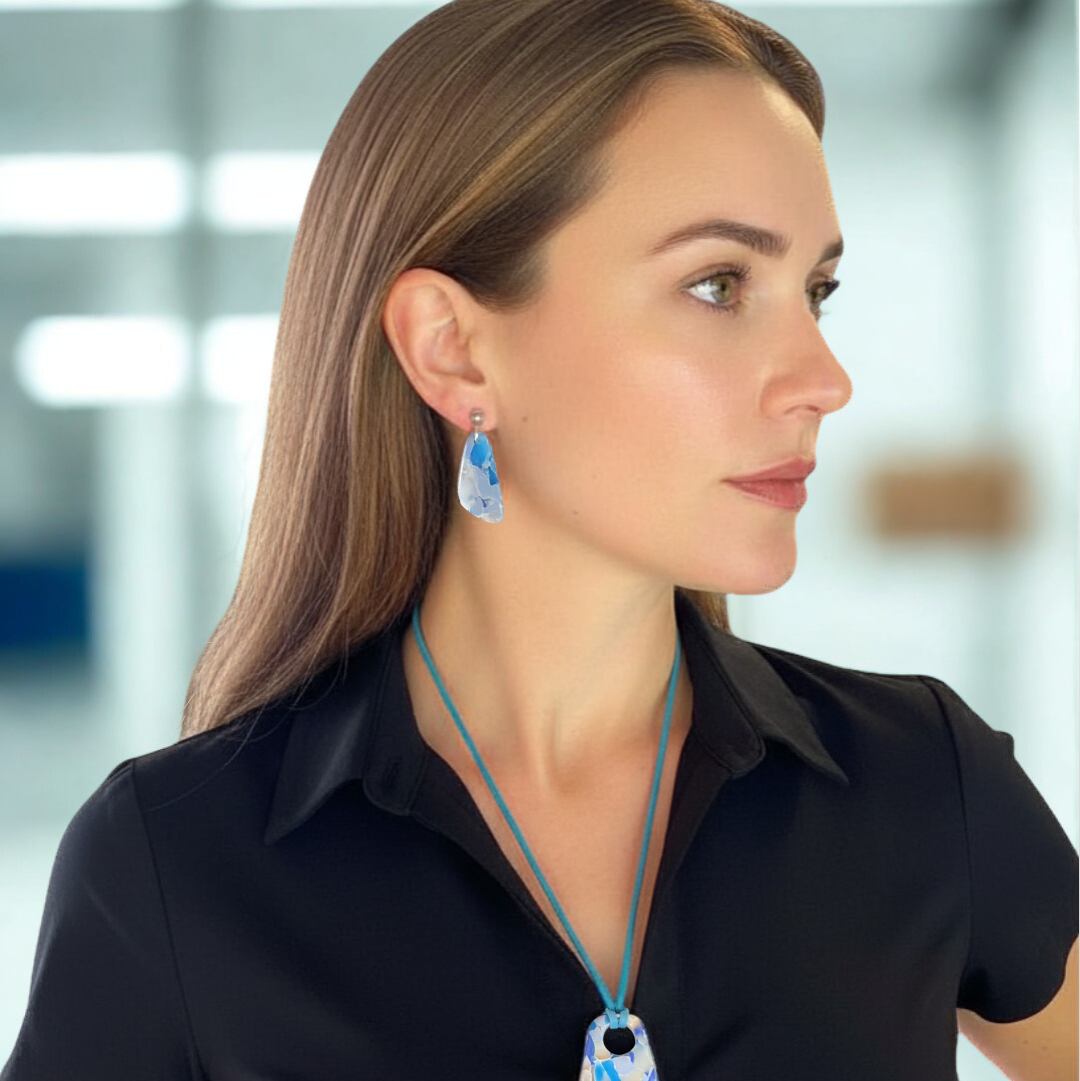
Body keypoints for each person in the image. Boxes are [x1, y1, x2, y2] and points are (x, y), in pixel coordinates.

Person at [3, 0, 1077, 1078]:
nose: (824, 380)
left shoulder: (922, 784)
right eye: (718, 284)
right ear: (453, 349)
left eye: (817, 292)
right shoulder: (173, 863)